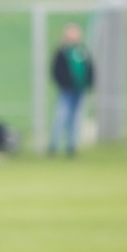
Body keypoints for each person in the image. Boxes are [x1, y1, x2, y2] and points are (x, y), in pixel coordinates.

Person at [49, 23, 94, 156]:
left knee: (76, 120)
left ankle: (71, 146)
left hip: (79, 91)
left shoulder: (82, 51)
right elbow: (55, 71)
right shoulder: (62, 52)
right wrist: (63, 84)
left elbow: (90, 69)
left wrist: (89, 84)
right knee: (61, 117)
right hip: (66, 91)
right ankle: (53, 146)